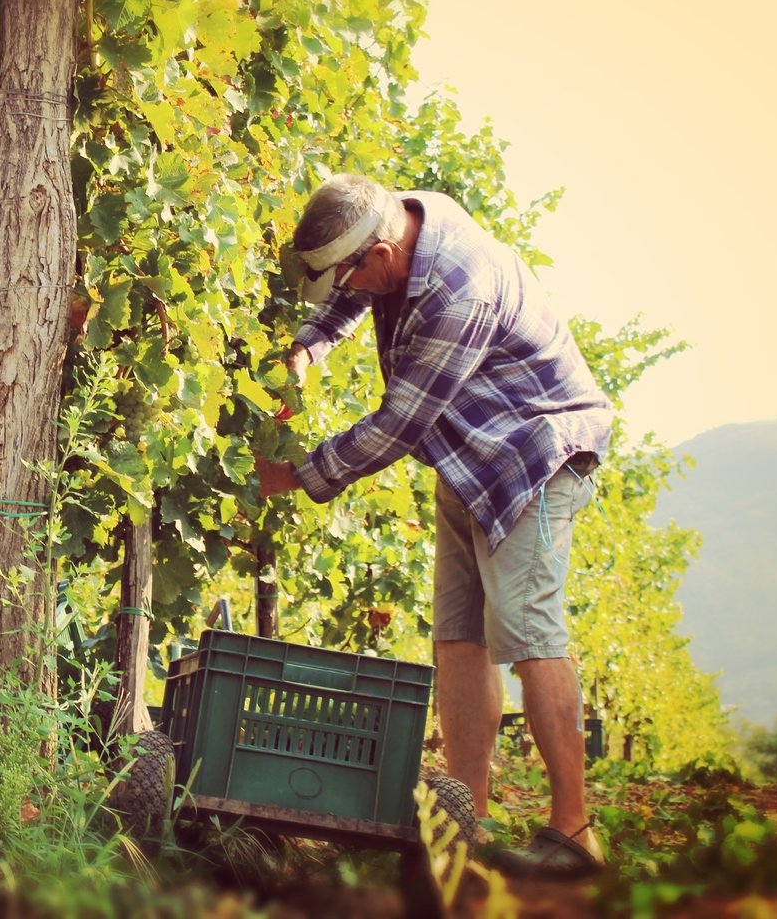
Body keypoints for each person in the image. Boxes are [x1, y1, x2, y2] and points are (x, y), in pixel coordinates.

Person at [255, 174, 613, 881]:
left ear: (382, 253)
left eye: (353, 278)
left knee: (528, 629)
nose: (348, 293)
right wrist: (307, 346)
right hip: (468, 452)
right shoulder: (395, 220)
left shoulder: (461, 287)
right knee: (458, 634)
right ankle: (464, 822)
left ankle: (575, 832)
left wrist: (298, 475)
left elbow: (399, 426)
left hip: (533, 451)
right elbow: (347, 300)